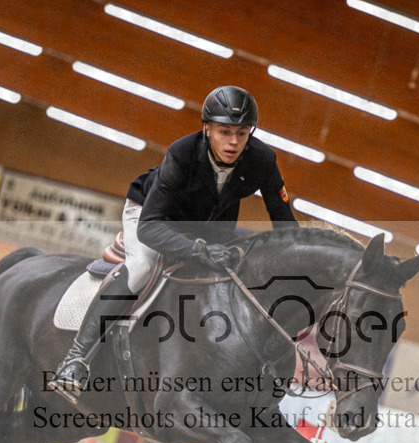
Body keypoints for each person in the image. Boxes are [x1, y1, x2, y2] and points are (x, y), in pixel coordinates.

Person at [48, 85, 299, 403]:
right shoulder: (182, 153)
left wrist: (295, 263)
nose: (234, 142)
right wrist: (198, 251)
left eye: (241, 133)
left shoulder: (263, 159)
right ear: (207, 129)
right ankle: (76, 358)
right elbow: (149, 228)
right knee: (142, 266)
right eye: (224, 132)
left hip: (208, 226)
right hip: (151, 216)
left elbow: (284, 221)